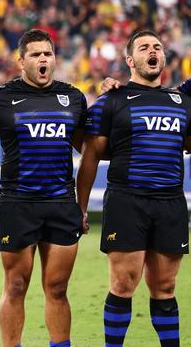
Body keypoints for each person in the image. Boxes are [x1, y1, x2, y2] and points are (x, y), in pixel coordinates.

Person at [77, 30, 191, 347]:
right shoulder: (112, 100)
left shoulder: (182, 101)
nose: (152, 51)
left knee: (166, 287)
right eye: (144, 47)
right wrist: (81, 207)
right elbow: (90, 157)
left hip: (170, 203)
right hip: (127, 202)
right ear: (131, 60)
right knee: (123, 283)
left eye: (157, 47)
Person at [0, 29, 87, 347]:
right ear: (21, 60)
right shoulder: (2, 99)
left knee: (57, 288)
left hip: (61, 204)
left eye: (48, 54)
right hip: (17, 204)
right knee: (14, 286)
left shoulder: (74, 98)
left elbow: (91, 150)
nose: (43, 59)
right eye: (36, 54)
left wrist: (81, 205)